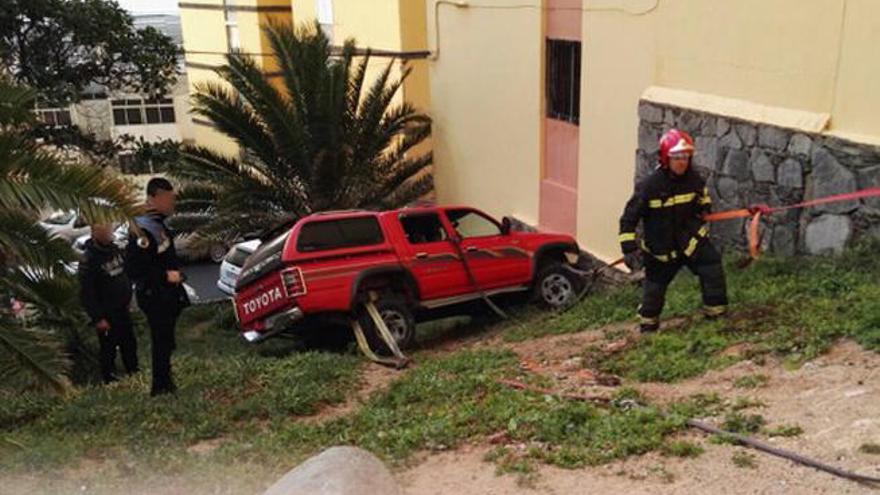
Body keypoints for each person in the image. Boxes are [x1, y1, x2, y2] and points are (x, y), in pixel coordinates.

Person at [618, 128, 728, 333]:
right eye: (677, 157)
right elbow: (628, 219)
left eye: (686, 157)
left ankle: (716, 315)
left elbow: (703, 200)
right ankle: (648, 326)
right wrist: (628, 248)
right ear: (666, 158)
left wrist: (704, 208)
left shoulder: (694, 180)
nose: (682, 162)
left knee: (711, 264)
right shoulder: (649, 186)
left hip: (690, 242)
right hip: (661, 249)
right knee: (655, 288)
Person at [126, 178, 188, 396]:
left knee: (167, 340)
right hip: (154, 294)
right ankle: (160, 387)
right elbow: (134, 268)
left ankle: (166, 380)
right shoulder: (143, 229)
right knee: (160, 340)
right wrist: (165, 276)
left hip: (167, 293)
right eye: (168, 199)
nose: (172, 204)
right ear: (155, 197)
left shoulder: (158, 223)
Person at [78, 223, 138, 384]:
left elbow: (125, 271)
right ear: (94, 233)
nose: (108, 233)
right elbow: (87, 293)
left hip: (122, 308)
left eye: (109, 229)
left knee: (129, 343)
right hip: (106, 313)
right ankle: (109, 379)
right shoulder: (89, 259)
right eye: (104, 230)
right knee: (108, 348)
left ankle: (134, 372)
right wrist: (98, 318)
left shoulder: (115, 250)